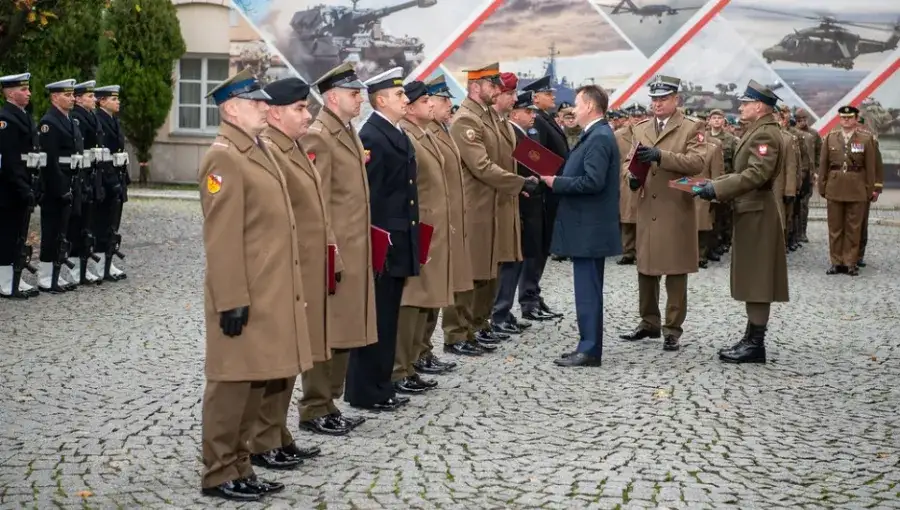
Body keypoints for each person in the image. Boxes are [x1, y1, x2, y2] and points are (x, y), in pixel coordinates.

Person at [197, 68, 313, 502]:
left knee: (255, 382)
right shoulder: (224, 156)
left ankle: (240, 465)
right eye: (256, 102)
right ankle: (219, 472)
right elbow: (222, 236)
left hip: (268, 290)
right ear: (230, 108)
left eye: (266, 102)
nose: (266, 108)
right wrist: (230, 299)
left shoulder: (257, 148)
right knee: (231, 386)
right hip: (243, 294)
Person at [246, 77, 327, 470]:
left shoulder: (291, 147)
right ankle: (262, 441)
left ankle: (278, 433)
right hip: (285, 272)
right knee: (277, 360)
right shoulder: (274, 152)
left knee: (293, 358)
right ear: (275, 112)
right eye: (299, 108)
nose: (307, 114)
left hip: (305, 269)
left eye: (306, 107)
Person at [299, 62, 374, 433]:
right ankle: (314, 406)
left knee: (344, 329)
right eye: (353, 93)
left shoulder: (348, 131)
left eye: (358, 92)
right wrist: (332, 252)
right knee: (326, 330)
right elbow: (319, 203)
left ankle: (331, 403)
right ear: (332, 98)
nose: (360, 98)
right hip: (336, 252)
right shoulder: (320, 136)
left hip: (356, 248)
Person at [694, 80, 788, 364]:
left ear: (759, 106)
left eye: (746, 102)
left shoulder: (766, 135)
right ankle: (750, 338)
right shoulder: (759, 131)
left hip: (758, 211)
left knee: (757, 277)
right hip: (751, 209)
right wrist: (712, 183)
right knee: (751, 275)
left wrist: (717, 189)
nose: (741, 106)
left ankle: (755, 344)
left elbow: (756, 175)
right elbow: (745, 172)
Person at [450, 62, 539, 351]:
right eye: (492, 85)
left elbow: (504, 160)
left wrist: (518, 184)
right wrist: (518, 183)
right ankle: (457, 334)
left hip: (496, 203)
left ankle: (479, 325)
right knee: (471, 274)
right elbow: (482, 166)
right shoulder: (466, 120)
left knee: (489, 271)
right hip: (476, 207)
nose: (498, 90)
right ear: (475, 86)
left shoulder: (490, 117)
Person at [344, 67, 418, 411]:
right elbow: (369, 198)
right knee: (377, 318)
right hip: (384, 244)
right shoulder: (372, 135)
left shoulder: (394, 132)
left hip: (399, 239)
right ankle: (365, 390)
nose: (406, 100)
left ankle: (381, 383)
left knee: (388, 317)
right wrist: (377, 245)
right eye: (400, 95)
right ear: (382, 99)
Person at [619, 75, 706, 352]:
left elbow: (697, 162)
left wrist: (660, 156)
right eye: (654, 99)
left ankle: (672, 329)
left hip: (675, 205)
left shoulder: (692, 127)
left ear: (676, 100)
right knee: (645, 268)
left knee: (675, 270)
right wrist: (630, 177)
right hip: (647, 205)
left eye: (663, 99)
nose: (657, 104)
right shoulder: (641, 128)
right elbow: (628, 161)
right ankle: (649, 322)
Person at [543, 85, 621, 367]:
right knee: (588, 290)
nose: (573, 109)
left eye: (577, 104)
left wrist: (557, 182)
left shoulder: (599, 136)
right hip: (587, 227)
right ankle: (587, 344)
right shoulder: (596, 134)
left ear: (589, 106)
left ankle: (589, 349)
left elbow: (593, 181)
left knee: (588, 292)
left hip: (589, 229)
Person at [392, 80, 454, 392]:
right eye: (426, 100)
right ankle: (401, 367)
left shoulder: (425, 133)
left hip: (434, 230)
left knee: (428, 298)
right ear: (413, 107)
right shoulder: (408, 135)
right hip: (420, 231)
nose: (432, 104)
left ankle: (417, 358)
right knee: (413, 300)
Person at [428, 76, 483, 357]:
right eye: (443, 100)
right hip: (440, 221)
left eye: (449, 100)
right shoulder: (428, 133)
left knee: (461, 278)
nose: (449, 105)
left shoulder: (442, 130)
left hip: (457, 217)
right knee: (439, 286)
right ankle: (451, 334)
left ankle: (460, 332)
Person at [520, 75, 567, 319]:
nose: (553, 97)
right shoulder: (536, 121)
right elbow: (534, 157)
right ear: (535, 98)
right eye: (548, 94)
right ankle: (529, 299)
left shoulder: (546, 118)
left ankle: (534, 294)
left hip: (550, 191)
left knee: (542, 246)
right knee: (535, 247)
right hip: (542, 193)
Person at [490, 72, 531, 335]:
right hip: (495, 202)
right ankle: (497, 314)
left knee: (511, 259)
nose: (514, 99)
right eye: (510, 95)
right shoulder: (488, 123)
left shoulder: (502, 123)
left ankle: (501, 312)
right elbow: (483, 166)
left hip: (509, 199)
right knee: (500, 263)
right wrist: (520, 183)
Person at [819, 105, 877, 276]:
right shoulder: (830, 138)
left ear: (856, 119)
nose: (846, 120)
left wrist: (869, 189)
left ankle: (850, 262)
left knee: (853, 227)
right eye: (843, 118)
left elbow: (871, 167)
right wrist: (822, 186)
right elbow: (823, 165)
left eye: (850, 117)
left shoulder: (866, 139)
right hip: (835, 186)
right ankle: (836, 262)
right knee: (835, 227)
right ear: (839, 119)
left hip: (856, 187)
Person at [37, 79, 81, 293]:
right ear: (55, 97)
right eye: (67, 94)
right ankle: (45, 276)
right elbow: (50, 161)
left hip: (69, 183)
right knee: (51, 231)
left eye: (73, 94)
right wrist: (61, 188)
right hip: (55, 187)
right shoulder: (49, 122)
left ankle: (56, 272)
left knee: (61, 231)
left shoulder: (69, 121)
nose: (72, 98)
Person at [0, 73, 42, 299]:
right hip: (10, 188)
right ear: (10, 93)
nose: (29, 93)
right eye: (23, 90)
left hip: (25, 183)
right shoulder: (5, 119)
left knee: (19, 234)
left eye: (28, 89)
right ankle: (5, 281)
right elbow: (10, 160)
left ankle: (15, 277)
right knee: (7, 235)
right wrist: (23, 187)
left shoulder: (25, 116)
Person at [93, 84, 129, 282]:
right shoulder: (99, 120)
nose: (118, 102)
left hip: (118, 177)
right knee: (103, 222)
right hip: (107, 179)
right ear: (102, 101)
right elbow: (104, 155)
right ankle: (101, 264)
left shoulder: (113, 121)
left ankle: (108, 261)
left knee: (113, 223)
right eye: (114, 99)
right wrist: (111, 180)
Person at [69, 80, 104, 284]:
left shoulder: (91, 116)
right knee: (78, 225)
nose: (93, 99)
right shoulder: (77, 118)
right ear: (79, 98)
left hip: (93, 174)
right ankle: (76, 269)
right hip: (83, 173)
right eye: (89, 96)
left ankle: (83, 265)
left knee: (87, 225)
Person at [706, 108, 738, 256]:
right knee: (709, 215)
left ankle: (723, 242)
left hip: (725, 179)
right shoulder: (704, 137)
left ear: (724, 121)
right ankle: (710, 245)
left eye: (719, 118)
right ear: (709, 120)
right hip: (707, 179)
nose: (717, 120)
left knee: (723, 214)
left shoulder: (731, 139)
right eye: (714, 118)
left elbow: (735, 162)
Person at [856, 116, 883, 268]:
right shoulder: (843, 140)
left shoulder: (871, 141)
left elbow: (877, 166)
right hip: (847, 188)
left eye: (860, 125)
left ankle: (859, 255)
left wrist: (876, 188)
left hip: (864, 188)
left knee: (861, 223)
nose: (858, 128)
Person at [696, 133, 724, 268]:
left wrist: (715, 195)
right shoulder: (683, 146)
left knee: (703, 226)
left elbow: (717, 173)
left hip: (704, 190)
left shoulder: (712, 148)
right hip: (685, 189)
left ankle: (701, 256)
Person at [615, 105, 639, 265]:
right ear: (629, 118)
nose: (637, 119)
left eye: (641, 116)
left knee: (641, 218)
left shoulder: (650, 133)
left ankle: (640, 251)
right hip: (623, 181)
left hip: (642, 181)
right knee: (626, 218)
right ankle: (627, 251)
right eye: (634, 116)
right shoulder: (618, 135)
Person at [793, 108, 820, 244]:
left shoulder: (814, 134)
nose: (802, 122)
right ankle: (794, 233)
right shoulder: (791, 133)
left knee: (804, 204)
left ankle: (802, 232)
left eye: (804, 120)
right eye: (799, 120)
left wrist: (816, 170)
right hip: (795, 174)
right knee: (794, 205)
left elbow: (819, 153)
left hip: (808, 173)